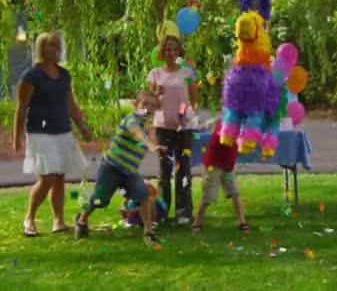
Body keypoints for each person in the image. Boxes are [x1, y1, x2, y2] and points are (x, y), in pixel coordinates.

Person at [14, 31, 92, 237]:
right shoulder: (31, 76)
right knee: (47, 177)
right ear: (42, 50)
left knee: (59, 177)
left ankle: (59, 221)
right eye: (51, 46)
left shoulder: (64, 74)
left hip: (62, 131)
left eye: (58, 46)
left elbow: (71, 105)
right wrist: (18, 136)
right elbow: (21, 108)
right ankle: (29, 218)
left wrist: (83, 127)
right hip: (40, 132)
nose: (56, 50)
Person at [73, 91, 164, 246]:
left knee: (144, 195)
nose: (148, 108)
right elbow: (136, 134)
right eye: (144, 104)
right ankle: (81, 220)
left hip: (130, 172)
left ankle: (148, 232)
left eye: (152, 106)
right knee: (100, 200)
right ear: (136, 105)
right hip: (112, 168)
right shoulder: (131, 120)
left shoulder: (146, 126)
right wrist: (149, 143)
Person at [147, 35, 198, 225]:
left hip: (184, 129)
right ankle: (161, 211)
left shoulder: (187, 73)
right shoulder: (155, 74)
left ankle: (183, 212)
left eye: (175, 49)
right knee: (164, 172)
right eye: (168, 49)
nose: (171, 52)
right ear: (162, 52)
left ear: (180, 52)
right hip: (162, 128)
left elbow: (194, 97)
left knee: (183, 170)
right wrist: (155, 94)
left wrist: (192, 113)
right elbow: (150, 102)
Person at [192, 118, 250, 232]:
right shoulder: (225, 122)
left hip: (228, 165)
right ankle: (197, 222)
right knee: (208, 195)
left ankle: (242, 222)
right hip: (213, 165)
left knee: (235, 192)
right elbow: (223, 139)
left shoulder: (241, 125)